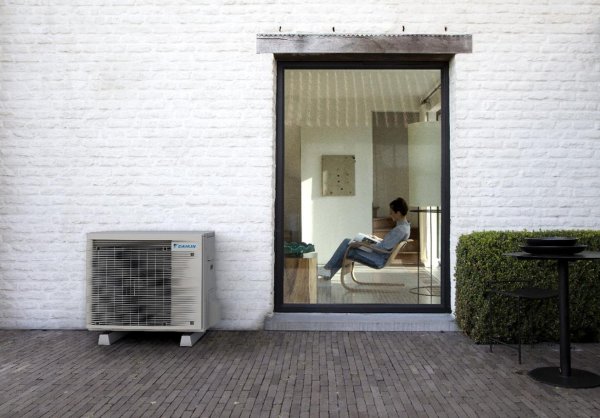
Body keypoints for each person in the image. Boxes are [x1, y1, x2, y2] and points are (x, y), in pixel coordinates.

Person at [318, 197, 411, 279]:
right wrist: (376, 239)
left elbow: (383, 248)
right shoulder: (405, 227)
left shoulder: (400, 230)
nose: (390, 214)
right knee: (348, 244)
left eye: (391, 212)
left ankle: (327, 270)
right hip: (380, 254)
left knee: (347, 247)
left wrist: (362, 244)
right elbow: (388, 245)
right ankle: (328, 272)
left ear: (398, 213)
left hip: (378, 259)